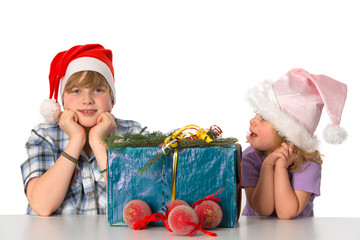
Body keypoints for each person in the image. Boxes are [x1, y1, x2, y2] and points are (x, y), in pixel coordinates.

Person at [21, 44, 146, 216]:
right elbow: (42, 205)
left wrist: (98, 142)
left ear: (112, 99)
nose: (87, 100)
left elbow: (136, 204)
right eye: (77, 91)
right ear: (62, 101)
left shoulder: (132, 134)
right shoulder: (45, 136)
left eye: (97, 90)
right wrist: (76, 140)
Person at [241, 68, 347, 219]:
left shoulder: (308, 164)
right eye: (255, 114)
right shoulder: (249, 157)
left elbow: (287, 213)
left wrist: (280, 168)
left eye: (264, 118)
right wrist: (267, 166)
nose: (252, 121)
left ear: (287, 134)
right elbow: (262, 209)